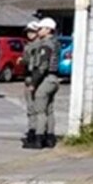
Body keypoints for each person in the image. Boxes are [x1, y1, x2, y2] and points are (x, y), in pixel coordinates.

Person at [27, 17, 61, 149]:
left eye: (41, 28)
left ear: (48, 30)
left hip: (46, 79)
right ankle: (50, 138)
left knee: (40, 110)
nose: (38, 31)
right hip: (54, 79)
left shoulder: (46, 45)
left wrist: (34, 83)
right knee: (49, 110)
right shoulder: (55, 43)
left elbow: (42, 66)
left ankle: (39, 139)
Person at [21, 20, 41, 146]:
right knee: (31, 108)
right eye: (28, 31)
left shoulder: (37, 45)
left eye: (32, 31)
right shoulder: (29, 44)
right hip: (29, 77)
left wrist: (23, 60)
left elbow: (34, 63)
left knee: (34, 108)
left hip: (34, 78)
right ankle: (33, 130)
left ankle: (35, 132)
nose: (29, 34)